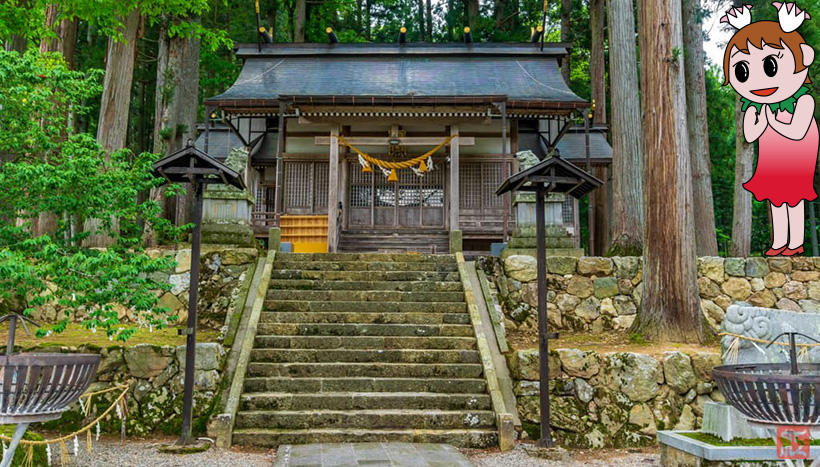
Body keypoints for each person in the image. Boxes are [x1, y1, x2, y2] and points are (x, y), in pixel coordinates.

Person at [722, 2, 818, 256]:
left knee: (794, 198)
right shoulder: (755, 107)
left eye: (770, 66)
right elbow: (750, 135)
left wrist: (771, 121)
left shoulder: (803, 100)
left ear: (804, 58)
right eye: (742, 71)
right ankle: (779, 242)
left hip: (797, 157)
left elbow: (798, 131)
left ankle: (794, 242)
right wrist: (759, 120)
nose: (757, 81)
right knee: (776, 198)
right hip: (771, 158)